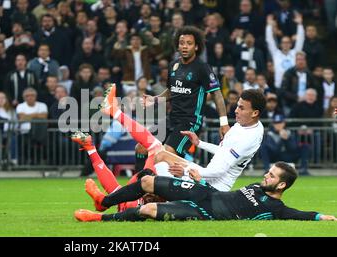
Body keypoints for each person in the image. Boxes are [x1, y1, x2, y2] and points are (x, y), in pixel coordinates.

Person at [102, 85, 265, 192]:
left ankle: (115, 112)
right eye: (237, 105)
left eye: (241, 108)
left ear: (255, 113)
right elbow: (225, 151)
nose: (236, 110)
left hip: (211, 187)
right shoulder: (245, 126)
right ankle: (123, 194)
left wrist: (186, 170)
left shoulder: (247, 137)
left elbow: (219, 171)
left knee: (158, 153)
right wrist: (199, 143)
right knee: (154, 164)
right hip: (204, 176)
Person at [74, 161, 337, 222]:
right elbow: (228, 195)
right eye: (268, 171)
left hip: (204, 212)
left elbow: (299, 214)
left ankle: (99, 218)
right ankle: (103, 202)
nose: (265, 175)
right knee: (147, 181)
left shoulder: (275, 208)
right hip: (203, 193)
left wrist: (321, 217)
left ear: (281, 185)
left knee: (148, 209)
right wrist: (201, 180)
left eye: (271, 175)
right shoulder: (256, 186)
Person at [139, 26, 230, 171]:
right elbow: (172, 91)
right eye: (182, 43)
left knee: (167, 153)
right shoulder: (173, 65)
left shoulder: (202, 68)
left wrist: (224, 123)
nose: (185, 46)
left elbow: (217, 94)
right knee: (141, 147)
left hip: (190, 122)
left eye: (189, 43)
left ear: (196, 46)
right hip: (171, 118)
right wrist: (155, 99)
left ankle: (184, 185)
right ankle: (142, 185)